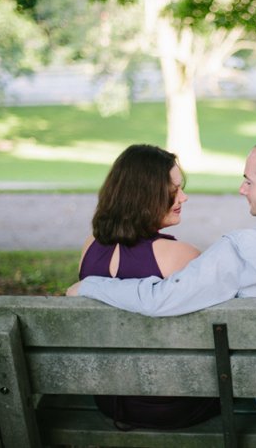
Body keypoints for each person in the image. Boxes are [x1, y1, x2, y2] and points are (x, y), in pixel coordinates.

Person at [68, 138, 256, 425]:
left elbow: (161, 298)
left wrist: (91, 286)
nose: (242, 189)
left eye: (248, 180)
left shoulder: (240, 249)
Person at [77, 143, 219, 430]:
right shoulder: (180, 256)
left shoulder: (90, 248)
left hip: (111, 400)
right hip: (174, 403)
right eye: (172, 190)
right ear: (144, 196)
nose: (184, 197)